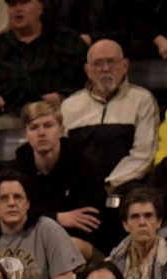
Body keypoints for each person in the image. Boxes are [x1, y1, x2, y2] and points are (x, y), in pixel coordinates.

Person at [0, 0, 87, 132]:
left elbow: (89, 80)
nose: (18, 9)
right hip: (9, 117)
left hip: (56, 117)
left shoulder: (66, 41)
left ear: (40, 8)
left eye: (24, 2)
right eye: (13, 4)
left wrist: (64, 96)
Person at [10, 100, 108, 259]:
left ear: (61, 130)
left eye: (48, 126)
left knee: (71, 245)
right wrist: (57, 217)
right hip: (27, 243)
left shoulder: (86, 166)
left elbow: (88, 221)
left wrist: (37, 218)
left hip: (79, 244)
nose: (41, 133)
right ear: (25, 134)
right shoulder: (13, 172)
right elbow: (9, 218)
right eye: (34, 127)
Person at [61, 40, 159, 196]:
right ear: (87, 70)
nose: (105, 69)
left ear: (125, 66)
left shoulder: (142, 100)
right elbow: (63, 155)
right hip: (80, 189)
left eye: (111, 62)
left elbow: (143, 154)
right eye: (97, 63)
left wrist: (110, 182)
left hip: (125, 189)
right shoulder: (69, 106)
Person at [107, 188, 167, 279]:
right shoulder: (113, 262)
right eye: (135, 217)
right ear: (125, 225)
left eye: (148, 216)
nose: (142, 222)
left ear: (158, 222)